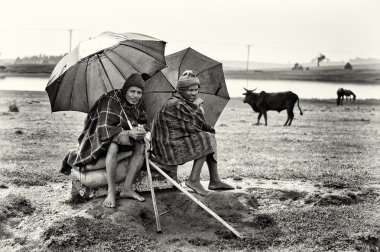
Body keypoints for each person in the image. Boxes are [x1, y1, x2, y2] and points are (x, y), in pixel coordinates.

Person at [151, 70, 234, 196]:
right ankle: (193, 180)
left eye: (196, 90)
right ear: (181, 90)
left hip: (175, 142)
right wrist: (198, 109)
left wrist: (197, 110)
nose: (194, 93)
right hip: (166, 148)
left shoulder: (185, 103)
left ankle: (215, 180)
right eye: (190, 90)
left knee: (209, 136)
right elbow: (195, 127)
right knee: (205, 138)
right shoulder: (174, 104)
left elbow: (198, 126)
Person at [73, 73, 148, 208]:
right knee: (113, 145)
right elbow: (104, 130)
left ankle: (127, 188)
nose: (135, 96)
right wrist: (128, 132)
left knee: (141, 145)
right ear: (126, 90)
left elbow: (142, 121)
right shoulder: (110, 100)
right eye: (132, 91)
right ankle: (111, 192)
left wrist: (141, 130)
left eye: (139, 92)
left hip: (123, 135)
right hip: (98, 137)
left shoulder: (139, 103)